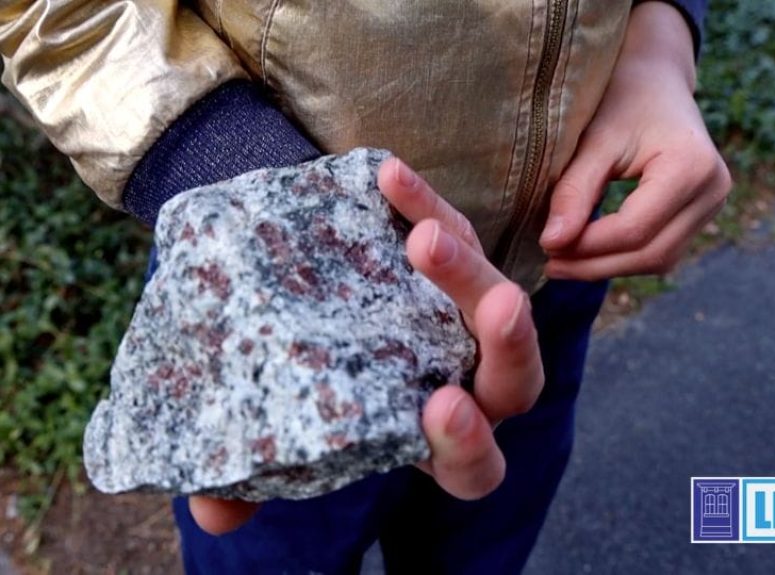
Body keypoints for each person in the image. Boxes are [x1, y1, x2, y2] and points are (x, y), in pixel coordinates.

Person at [1, 0, 730, 572]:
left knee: (483, 543)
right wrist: (264, 204)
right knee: (277, 550)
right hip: (287, 314)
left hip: (547, 276)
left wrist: (658, 40)